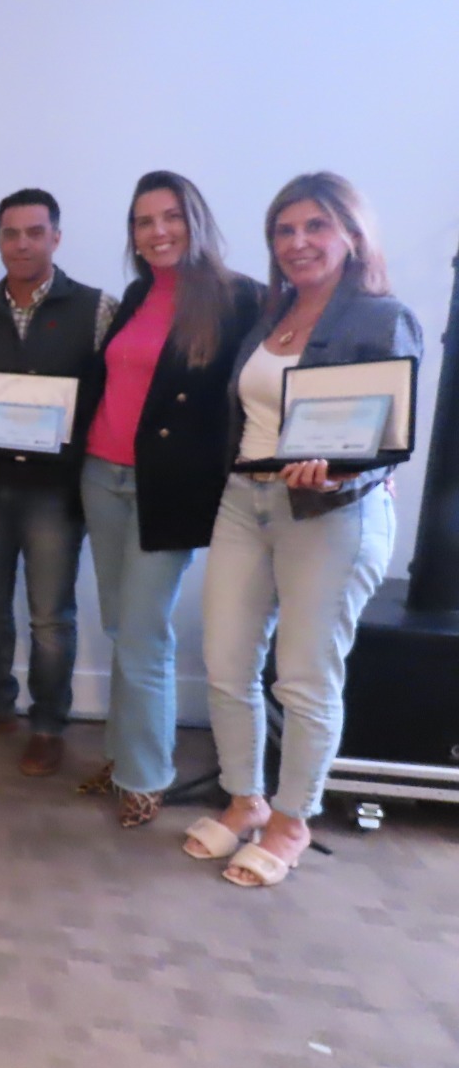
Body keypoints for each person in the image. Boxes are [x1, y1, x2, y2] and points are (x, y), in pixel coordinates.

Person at [185, 173, 421, 886]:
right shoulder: (270, 315)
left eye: (316, 226)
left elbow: (391, 434)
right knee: (227, 664)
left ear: (351, 233)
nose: (298, 243)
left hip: (332, 514)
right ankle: (245, 800)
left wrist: (341, 471)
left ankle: (292, 820)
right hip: (244, 500)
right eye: (284, 231)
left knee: (305, 677)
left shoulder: (383, 318)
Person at [74, 171, 263, 827]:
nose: (157, 232)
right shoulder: (135, 294)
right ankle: (126, 755)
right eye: (143, 221)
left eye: (170, 216)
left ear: (195, 220)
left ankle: (146, 775)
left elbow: (266, 390)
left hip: (170, 488)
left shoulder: (240, 299)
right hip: (102, 474)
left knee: (144, 633)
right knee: (122, 627)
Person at [0, 189, 117, 776]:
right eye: (11, 233)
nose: (22, 244)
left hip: (56, 489)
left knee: (50, 617)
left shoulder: (97, 308)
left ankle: (47, 725)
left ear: (56, 238)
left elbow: (114, 395)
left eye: (35, 232)